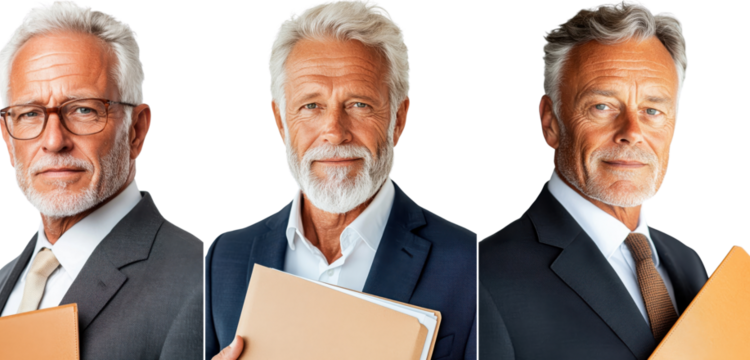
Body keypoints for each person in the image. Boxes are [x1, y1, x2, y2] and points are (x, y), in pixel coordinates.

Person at [205, 1, 477, 359]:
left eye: (359, 104)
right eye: (311, 106)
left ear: (399, 118)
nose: (334, 132)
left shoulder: (472, 264)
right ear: (281, 121)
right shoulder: (223, 256)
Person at [478, 1, 708, 359]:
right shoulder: (483, 279)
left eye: (652, 110)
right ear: (551, 121)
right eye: (602, 106)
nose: (632, 132)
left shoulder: (689, 263)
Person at [0, 1, 205, 359]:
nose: (54, 141)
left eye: (83, 109)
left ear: (137, 130)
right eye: (30, 114)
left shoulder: (200, 281)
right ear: (6, 136)